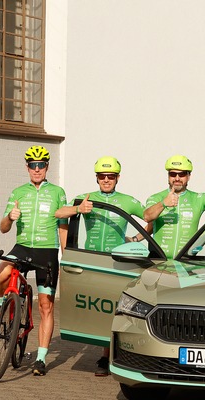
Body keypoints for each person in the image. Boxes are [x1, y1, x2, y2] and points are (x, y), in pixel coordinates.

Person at [55, 156, 147, 376]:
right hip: (92, 260)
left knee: (116, 310)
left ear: (117, 178)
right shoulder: (85, 198)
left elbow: (149, 218)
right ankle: (105, 354)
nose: (106, 180)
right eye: (103, 177)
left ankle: (107, 357)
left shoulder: (128, 201)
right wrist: (78, 210)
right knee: (96, 307)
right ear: (97, 178)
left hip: (119, 261)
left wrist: (135, 240)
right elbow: (59, 214)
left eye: (111, 176)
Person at [0, 146, 68, 376]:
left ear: (47, 167)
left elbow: (63, 225)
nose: (37, 169)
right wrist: (9, 217)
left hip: (46, 251)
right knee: (2, 273)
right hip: (23, 247)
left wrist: (65, 259)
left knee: (46, 305)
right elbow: (3, 228)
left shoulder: (57, 192)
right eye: (33, 165)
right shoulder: (18, 192)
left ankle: (41, 359)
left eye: (41, 165)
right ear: (27, 168)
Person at [144, 155, 205, 259]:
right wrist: (163, 203)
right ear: (168, 176)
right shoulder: (156, 197)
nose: (177, 178)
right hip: (158, 261)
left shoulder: (198, 198)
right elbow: (147, 216)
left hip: (185, 262)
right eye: (173, 174)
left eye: (182, 174)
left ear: (189, 176)